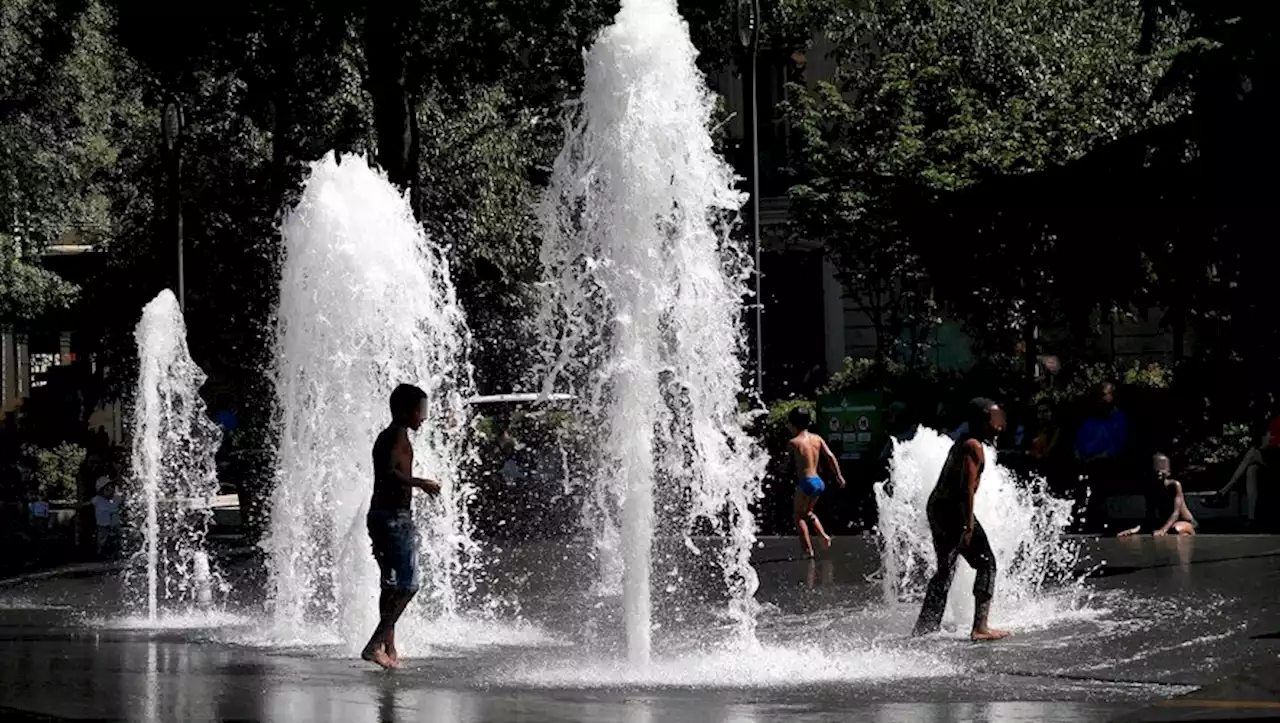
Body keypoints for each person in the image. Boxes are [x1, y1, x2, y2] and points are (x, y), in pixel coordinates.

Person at [912, 397, 1010, 642]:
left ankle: (925, 627)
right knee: (987, 563)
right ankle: (980, 627)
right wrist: (968, 524)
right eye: (995, 421)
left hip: (939, 508)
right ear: (980, 422)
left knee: (945, 569)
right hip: (953, 511)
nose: (1000, 426)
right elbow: (965, 489)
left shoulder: (965, 443)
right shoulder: (972, 446)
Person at [361, 383, 441, 670]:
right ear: (405, 411)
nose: (423, 417)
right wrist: (423, 483)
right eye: (420, 411)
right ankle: (374, 644)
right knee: (409, 585)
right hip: (393, 518)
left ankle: (388, 647)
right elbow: (388, 474)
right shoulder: (395, 435)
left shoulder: (394, 435)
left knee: (390, 583)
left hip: (382, 516)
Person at [786, 407, 846, 559]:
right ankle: (823, 536)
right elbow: (830, 456)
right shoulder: (817, 438)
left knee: (798, 516)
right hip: (818, 482)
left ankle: (807, 550)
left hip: (806, 482)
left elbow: (786, 465)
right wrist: (838, 475)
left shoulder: (794, 442)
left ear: (793, 424)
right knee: (808, 513)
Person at [1209, 416, 1280, 529]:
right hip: (1272, 459)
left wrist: (1271, 441)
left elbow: (1272, 440)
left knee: (1252, 453)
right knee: (1251, 470)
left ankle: (1224, 491)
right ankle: (1251, 518)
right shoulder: (1276, 421)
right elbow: (1267, 442)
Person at [1119, 453, 1197, 537]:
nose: (1158, 475)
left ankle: (1188, 532)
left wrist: (1163, 530)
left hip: (1186, 522)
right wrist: (1136, 529)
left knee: (1174, 529)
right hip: (1168, 523)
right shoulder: (1150, 489)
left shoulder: (1174, 485)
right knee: (1160, 532)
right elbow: (1149, 515)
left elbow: (1176, 513)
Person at [90, 476, 123, 559]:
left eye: (112, 488)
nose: (111, 490)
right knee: (102, 540)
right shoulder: (97, 500)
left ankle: (117, 553)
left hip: (114, 524)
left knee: (117, 538)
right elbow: (88, 504)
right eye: (107, 489)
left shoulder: (116, 499)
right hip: (103, 524)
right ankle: (100, 555)